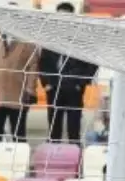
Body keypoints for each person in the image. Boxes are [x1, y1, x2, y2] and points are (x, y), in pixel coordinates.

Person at [39, 3, 97, 144]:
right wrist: (47, 84)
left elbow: (92, 63)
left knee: (73, 129)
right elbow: (43, 63)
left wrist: (80, 84)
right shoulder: (49, 38)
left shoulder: (82, 39)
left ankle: (75, 154)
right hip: (54, 88)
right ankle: (53, 154)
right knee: (54, 129)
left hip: (74, 89)